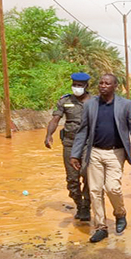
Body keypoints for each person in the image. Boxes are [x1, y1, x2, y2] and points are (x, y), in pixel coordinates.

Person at [70, 74, 131, 243]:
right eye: (101, 82)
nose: (103, 86)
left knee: (113, 188)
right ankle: (100, 227)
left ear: (115, 86)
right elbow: (83, 130)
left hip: (115, 153)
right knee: (95, 191)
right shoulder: (90, 104)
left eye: (107, 83)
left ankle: (120, 214)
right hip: (94, 152)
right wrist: (75, 154)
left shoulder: (126, 105)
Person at [44, 72, 91, 221]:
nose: (76, 87)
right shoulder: (65, 101)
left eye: (80, 85)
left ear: (86, 86)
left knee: (89, 175)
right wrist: (48, 135)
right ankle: (79, 203)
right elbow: (55, 119)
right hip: (70, 144)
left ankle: (86, 206)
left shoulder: (95, 101)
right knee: (72, 179)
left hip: (88, 144)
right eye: (74, 85)